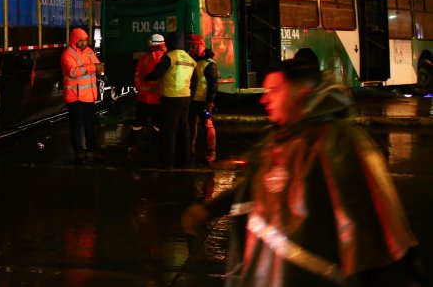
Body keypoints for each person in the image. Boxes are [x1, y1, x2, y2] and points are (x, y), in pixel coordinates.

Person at [181, 58, 423, 286]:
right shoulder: (277, 139)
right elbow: (254, 187)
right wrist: (208, 209)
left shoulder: (338, 142)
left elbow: (377, 234)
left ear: (302, 94)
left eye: (274, 91)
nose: (264, 100)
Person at [145, 30, 196, 169]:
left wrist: (146, 77)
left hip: (171, 98)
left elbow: (157, 73)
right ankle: (183, 162)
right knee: (183, 130)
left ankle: (167, 162)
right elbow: (195, 81)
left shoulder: (169, 57)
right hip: (185, 97)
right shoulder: (190, 59)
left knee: (169, 131)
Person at [61, 27, 103, 164]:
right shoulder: (68, 54)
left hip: (88, 97)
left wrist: (99, 69)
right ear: (74, 40)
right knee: (77, 126)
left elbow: (98, 66)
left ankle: (91, 150)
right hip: (75, 97)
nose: (84, 42)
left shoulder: (89, 52)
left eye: (85, 40)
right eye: (81, 40)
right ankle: (78, 151)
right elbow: (73, 72)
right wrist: (93, 68)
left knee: (90, 125)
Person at [187, 34, 218, 164]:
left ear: (200, 47)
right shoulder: (191, 60)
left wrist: (210, 102)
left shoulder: (209, 64)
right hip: (192, 101)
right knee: (191, 125)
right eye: (190, 46)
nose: (191, 49)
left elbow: (213, 85)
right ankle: (190, 149)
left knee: (208, 125)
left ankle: (211, 152)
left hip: (204, 102)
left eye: (193, 46)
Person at [132, 33, 166, 135]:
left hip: (144, 98)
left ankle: (132, 144)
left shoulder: (144, 58)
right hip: (160, 98)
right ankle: (157, 145)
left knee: (138, 123)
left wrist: (139, 87)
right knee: (158, 124)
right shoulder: (167, 59)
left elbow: (137, 74)